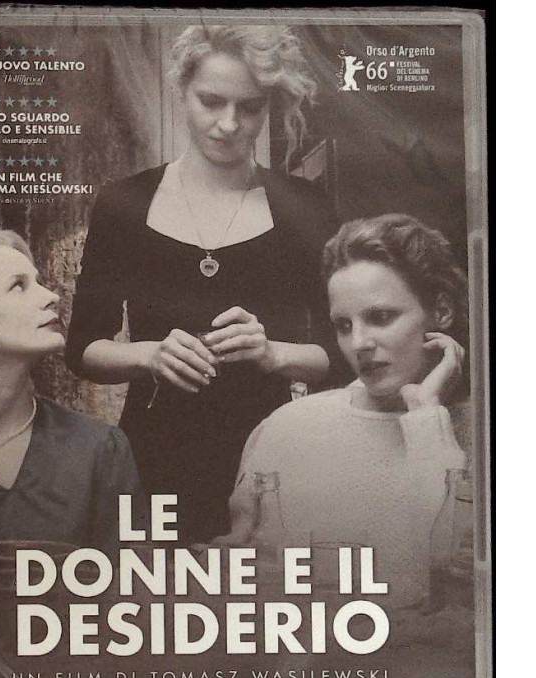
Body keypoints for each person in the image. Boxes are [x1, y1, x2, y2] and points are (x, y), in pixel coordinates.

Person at [66, 25, 343, 544]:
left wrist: (274, 353)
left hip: (270, 461)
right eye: (211, 102)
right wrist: (148, 355)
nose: (229, 124)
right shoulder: (123, 203)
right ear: (181, 90)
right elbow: (82, 349)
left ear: (269, 106)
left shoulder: (306, 207)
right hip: (151, 459)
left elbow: (342, 356)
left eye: (250, 108)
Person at [225, 214, 470, 608]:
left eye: (381, 317)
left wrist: (425, 417)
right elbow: (253, 573)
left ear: (440, 311)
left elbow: (437, 575)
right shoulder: (289, 429)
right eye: (343, 325)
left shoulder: (479, 435)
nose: (358, 343)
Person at [0, 230, 145, 547]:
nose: (52, 296)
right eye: (18, 285)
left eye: (38, 281)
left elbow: (134, 572)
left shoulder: (101, 450)